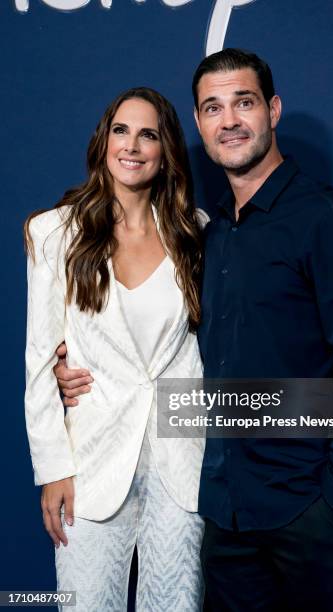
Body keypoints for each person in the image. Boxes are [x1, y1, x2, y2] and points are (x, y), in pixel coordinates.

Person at [56, 49, 333, 611]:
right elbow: (175, 349)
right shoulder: (210, 235)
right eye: (213, 107)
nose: (229, 120)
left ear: (274, 110)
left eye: (244, 102)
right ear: (198, 123)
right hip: (227, 518)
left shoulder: (325, 220)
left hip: (311, 513)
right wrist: (73, 363)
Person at [24, 87, 207, 612]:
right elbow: (39, 362)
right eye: (121, 130)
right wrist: (53, 468)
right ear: (103, 141)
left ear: (165, 149)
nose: (132, 145)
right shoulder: (55, 232)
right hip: (92, 463)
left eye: (148, 133)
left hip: (182, 463)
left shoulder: (196, 232)